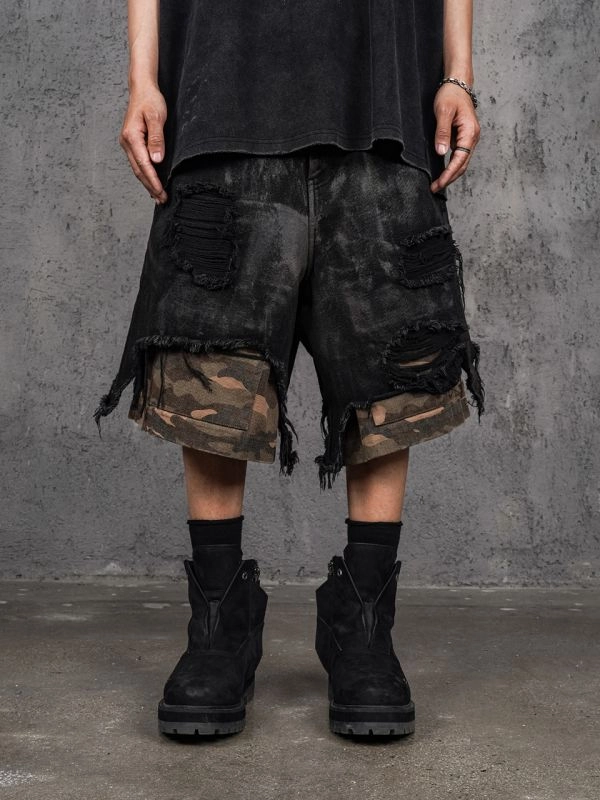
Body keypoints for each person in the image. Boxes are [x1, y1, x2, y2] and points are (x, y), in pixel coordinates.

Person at [94, 0, 484, 738]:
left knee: (386, 364)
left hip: (383, 94)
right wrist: (143, 77)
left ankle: (362, 624)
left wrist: (458, 74)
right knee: (215, 363)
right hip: (221, 86)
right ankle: (220, 622)